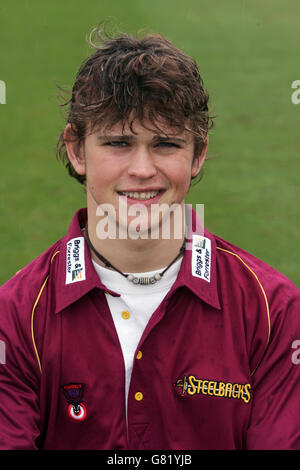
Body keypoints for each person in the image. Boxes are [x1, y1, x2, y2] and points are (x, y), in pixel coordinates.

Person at [0, 24, 300, 451]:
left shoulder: (273, 309)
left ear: (197, 154)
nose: (142, 169)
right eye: (119, 143)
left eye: (165, 144)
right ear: (76, 150)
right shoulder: (13, 317)